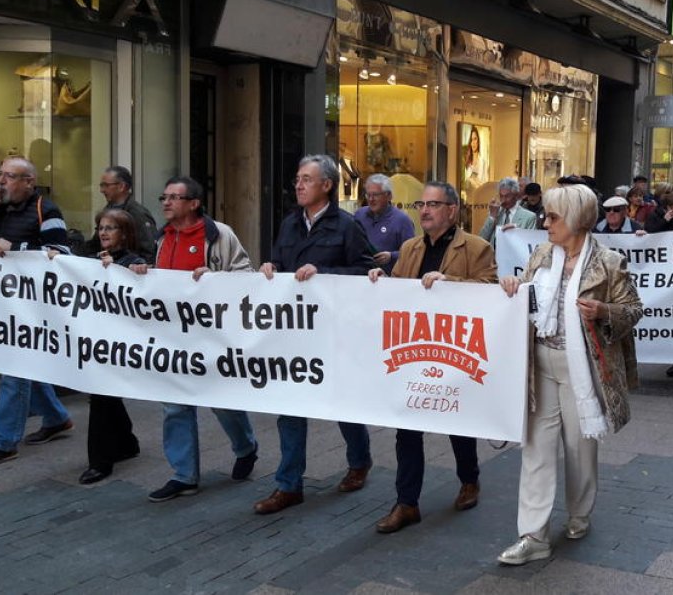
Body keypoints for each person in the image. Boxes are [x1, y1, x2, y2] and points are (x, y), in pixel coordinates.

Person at [496, 185, 642, 565]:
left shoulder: (609, 262)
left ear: (576, 219)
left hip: (585, 369)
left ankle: (579, 513)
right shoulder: (542, 254)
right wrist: (512, 286)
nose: (546, 222)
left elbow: (633, 310)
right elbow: (525, 298)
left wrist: (604, 311)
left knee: (580, 449)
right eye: (546, 215)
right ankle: (533, 536)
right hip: (540, 365)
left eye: (553, 217)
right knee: (536, 451)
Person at [367, 182, 496, 533]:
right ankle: (406, 503)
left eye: (433, 204)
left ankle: (469, 480)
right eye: (421, 203)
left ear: (452, 210)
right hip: (414, 351)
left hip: (455, 352)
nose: (424, 210)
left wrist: (450, 281)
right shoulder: (408, 248)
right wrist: (381, 280)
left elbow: (491, 292)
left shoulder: (476, 247)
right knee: (407, 429)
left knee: (457, 421)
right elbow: (398, 293)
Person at [255, 155, 375, 515]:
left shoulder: (346, 226)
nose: (299, 185)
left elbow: (367, 271)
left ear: (327, 185)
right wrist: (271, 267)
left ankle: (360, 460)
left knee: (342, 402)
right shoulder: (290, 224)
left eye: (306, 179)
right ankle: (288, 484)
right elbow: (280, 261)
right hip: (294, 332)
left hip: (334, 331)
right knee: (289, 406)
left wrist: (322, 272)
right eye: (297, 179)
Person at [134, 176, 259, 502]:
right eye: (164, 197)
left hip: (212, 337)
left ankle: (246, 447)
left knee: (221, 402)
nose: (166, 203)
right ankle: (184, 475)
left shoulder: (218, 235)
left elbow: (246, 275)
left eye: (174, 197)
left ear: (193, 203)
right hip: (173, 339)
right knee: (175, 406)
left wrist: (217, 279)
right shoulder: (163, 238)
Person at [0, 157, 74, 467]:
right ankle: (56, 418)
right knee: (24, 366)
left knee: (14, 368)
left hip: (31, 308)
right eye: (1, 175)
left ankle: (4, 442)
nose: (2, 181)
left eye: (10, 176)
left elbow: (61, 255)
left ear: (29, 183)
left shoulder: (46, 211)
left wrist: (16, 250)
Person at [77, 208, 145, 484]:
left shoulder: (134, 261)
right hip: (96, 338)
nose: (103, 232)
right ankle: (126, 442)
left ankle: (100, 461)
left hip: (118, 343)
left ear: (125, 234)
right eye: (101, 227)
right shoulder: (90, 258)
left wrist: (125, 270)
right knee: (104, 395)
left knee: (102, 395)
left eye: (111, 228)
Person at [85, 165, 158, 262]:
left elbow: (149, 251)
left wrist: (134, 265)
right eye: (101, 186)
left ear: (121, 186)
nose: (102, 190)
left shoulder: (138, 213)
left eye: (106, 185)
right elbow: (94, 245)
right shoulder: (107, 210)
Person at [355, 174, 416, 275]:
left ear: (389, 196)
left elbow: (413, 254)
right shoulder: (359, 215)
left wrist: (391, 256)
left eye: (375, 195)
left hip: (388, 280)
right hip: (360, 277)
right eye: (368, 195)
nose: (371, 199)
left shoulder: (402, 220)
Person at [479, 177, 538, 248]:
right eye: (501, 196)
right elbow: (482, 240)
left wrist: (515, 232)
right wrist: (492, 216)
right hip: (494, 258)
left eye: (507, 196)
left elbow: (530, 245)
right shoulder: (495, 212)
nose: (503, 200)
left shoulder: (529, 217)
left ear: (516, 196)